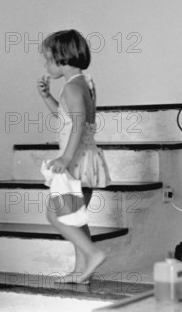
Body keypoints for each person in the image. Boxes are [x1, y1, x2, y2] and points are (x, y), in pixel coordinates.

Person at [37, 29, 111, 284]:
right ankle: (82, 271)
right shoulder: (84, 83)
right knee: (75, 219)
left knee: (55, 216)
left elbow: (78, 126)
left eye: (48, 59)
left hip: (75, 163)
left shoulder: (71, 88)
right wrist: (46, 97)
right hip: (86, 161)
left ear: (62, 58)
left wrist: (66, 159)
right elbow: (67, 117)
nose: (46, 65)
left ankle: (93, 254)